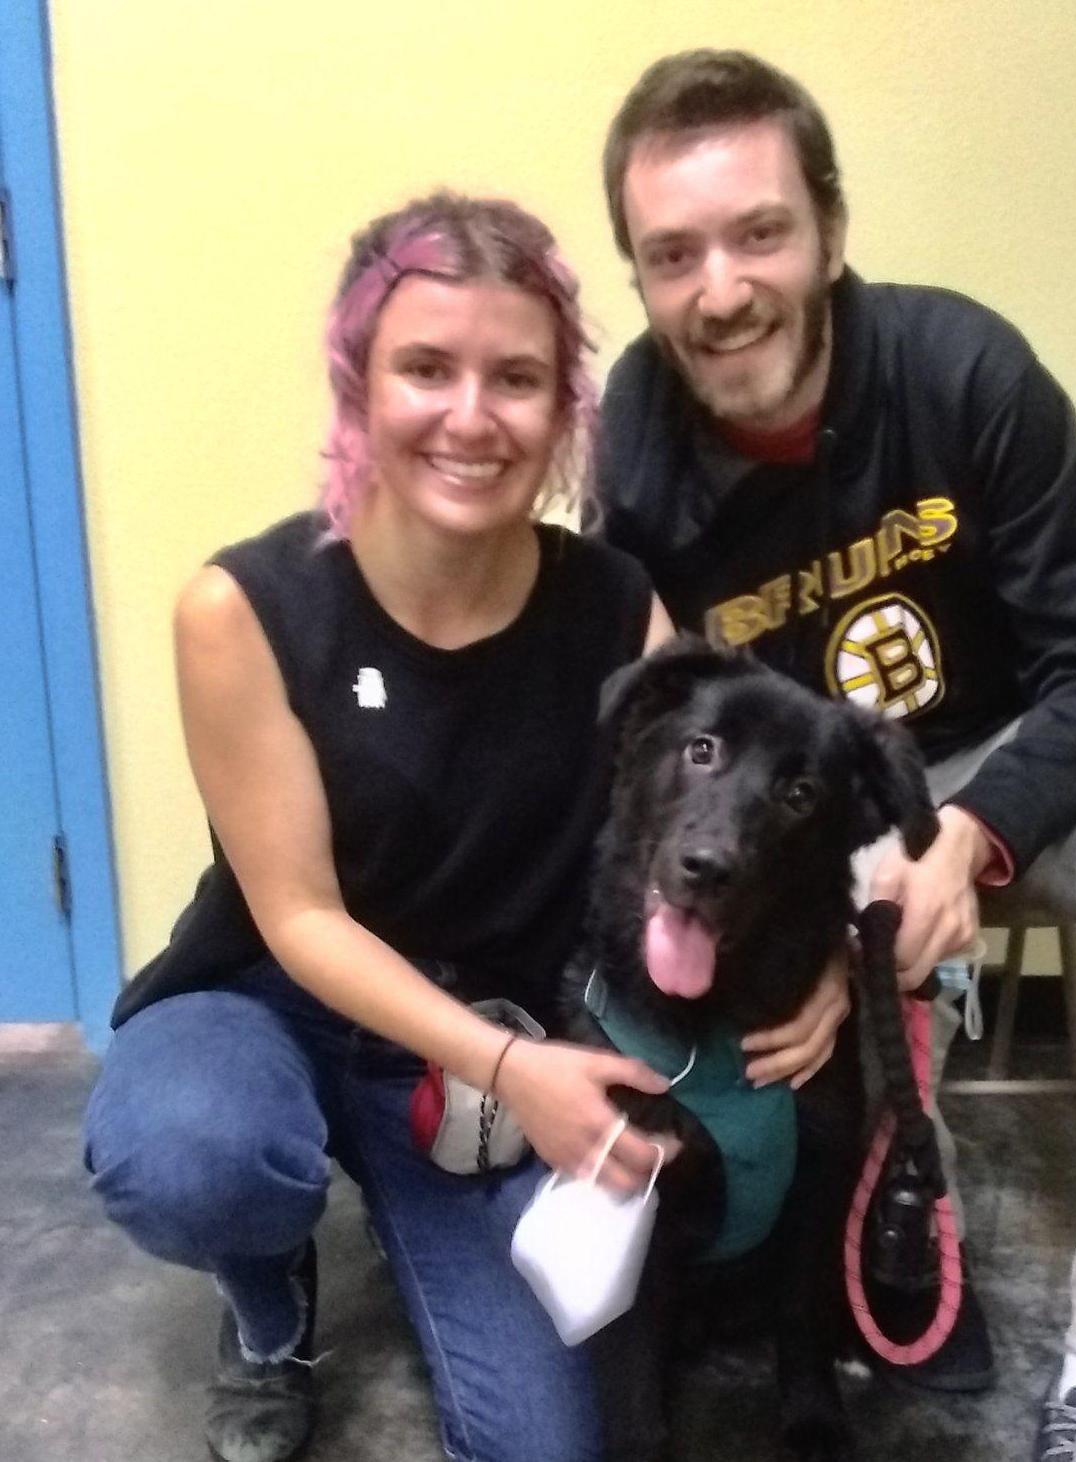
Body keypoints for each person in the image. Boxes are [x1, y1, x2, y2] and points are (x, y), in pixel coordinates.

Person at [594, 50, 1076, 1461]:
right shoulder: (637, 444)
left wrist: (976, 834)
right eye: (674, 255)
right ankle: (888, 1194)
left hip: (1000, 751)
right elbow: (666, 737)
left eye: (758, 233)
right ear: (642, 281)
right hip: (812, 794)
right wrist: (853, 912)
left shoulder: (965, 369)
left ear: (829, 230)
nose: (721, 290)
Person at [83, 192, 706, 1462]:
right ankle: (268, 1296)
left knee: (549, 1447)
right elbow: (299, 912)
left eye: (517, 377)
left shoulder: (620, 609)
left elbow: (691, 835)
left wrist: (825, 967)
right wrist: (507, 1067)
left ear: (565, 407)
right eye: (427, 367)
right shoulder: (242, 607)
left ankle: (405, 1198)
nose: (471, 417)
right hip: (281, 1005)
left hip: (494, 1042)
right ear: (358, 383)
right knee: (190, 1152)